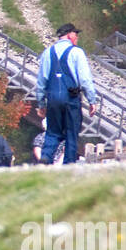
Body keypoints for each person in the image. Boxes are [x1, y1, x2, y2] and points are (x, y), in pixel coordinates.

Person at [35, 23, 97, 165]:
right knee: (71, 133)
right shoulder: (77, 52)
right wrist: (92, 100)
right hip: (71, 98)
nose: (77, 38)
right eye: (76, 34)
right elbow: (85, 79)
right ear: (69, 35)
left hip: (52, 98)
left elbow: (41, 81)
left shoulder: (47, 53)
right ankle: (68, 164)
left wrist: (41, 103)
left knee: (52, 131)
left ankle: (45, 157)